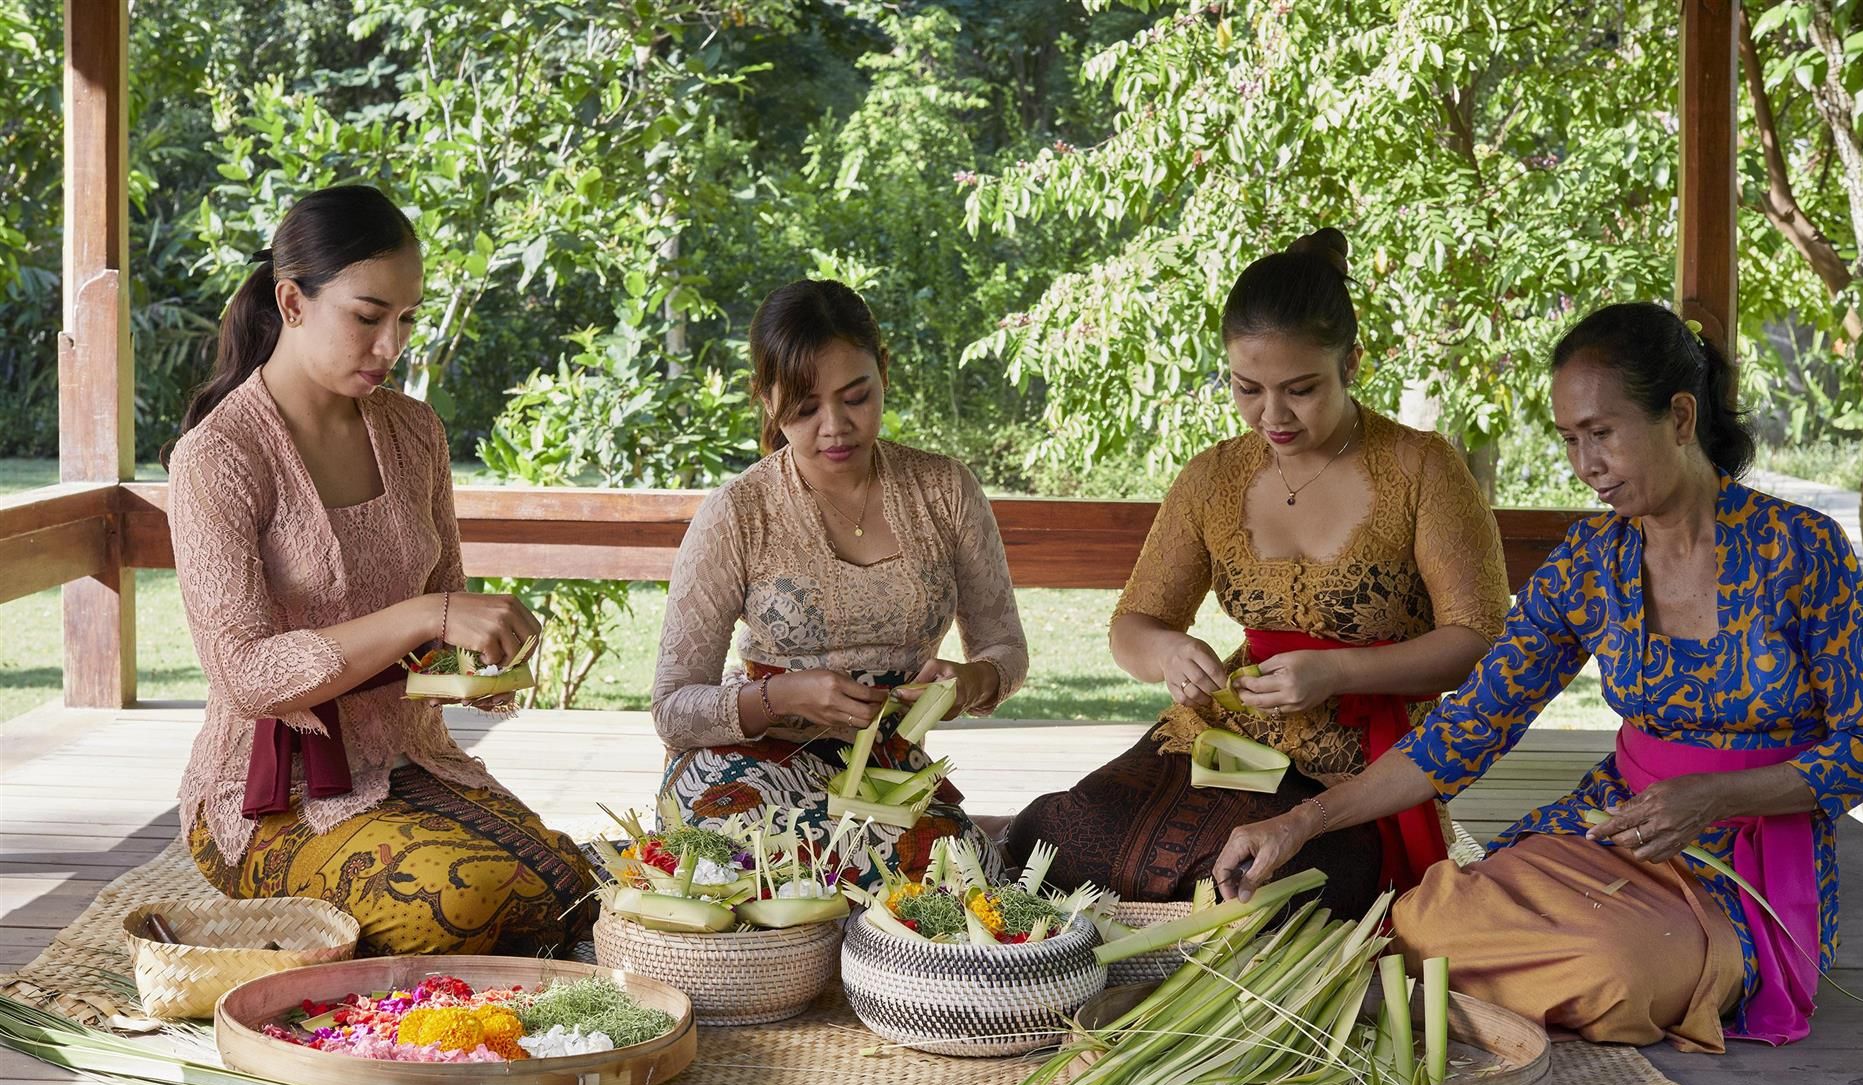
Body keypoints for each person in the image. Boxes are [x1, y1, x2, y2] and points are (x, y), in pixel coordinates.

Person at [1213, 301, 1863, 1050]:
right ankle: (1511, 980)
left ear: (1679, 417)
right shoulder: (1590, 561)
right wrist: (1301, 821)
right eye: (1570, 439)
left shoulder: (1802, 550)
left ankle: (1507, 984)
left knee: (1620, 971)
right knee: (1422, 917)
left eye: (1602, 434)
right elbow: (1466, 728)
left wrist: (1716, 796)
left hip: (1747, 860)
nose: (1586, 464)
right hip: (1615, 825)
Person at [1008, 229, 1511, 913]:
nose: (1272, 415)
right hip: (1227, 733)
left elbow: (1479, 642)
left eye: (1301, 390)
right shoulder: (1214, 477)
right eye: (1247, 388)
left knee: (1269, 885)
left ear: (1352, 363)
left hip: (1362, 758)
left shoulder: (1421, 469)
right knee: (1062, 839)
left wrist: (1337, 673)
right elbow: (1134, 624)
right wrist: (1168, 653)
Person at [169, 185, 595, 956]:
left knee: (573, 889)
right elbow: (246, 676)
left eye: (406, 320)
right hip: (272, 800)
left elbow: (445, 620)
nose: (390, 346)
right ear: (292, 302)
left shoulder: (415, 431)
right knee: (463, 904)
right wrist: (427, 616)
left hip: (414, 760)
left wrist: (487, 651)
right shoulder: (219, 457)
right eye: (368, 317)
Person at [650, 279, 1028, 880]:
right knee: (758, 853)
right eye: (804, 410)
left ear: (884, 372)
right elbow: (672, 709)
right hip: (750, 766)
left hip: (886, 774)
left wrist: (973, 680)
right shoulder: (739, 511)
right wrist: (780, 698)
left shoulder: (945, 491)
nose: (834, 427)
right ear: (766, 399)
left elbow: (1005, 648)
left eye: (856, 398)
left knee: (963, 872)